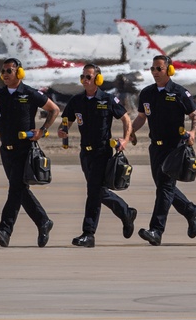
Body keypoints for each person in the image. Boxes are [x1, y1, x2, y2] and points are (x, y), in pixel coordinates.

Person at [0, 58, 60, 248]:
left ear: (19, 73)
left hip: (25, 149)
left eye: (9, 71)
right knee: (20, 190)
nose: (5, 74)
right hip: (5, 149)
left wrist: (43, 130)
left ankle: (5, 230)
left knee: (15, 190)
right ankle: (43, 222)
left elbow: (54, 110)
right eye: (3, 71)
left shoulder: (30, 93)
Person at [58, 63, 138, 248]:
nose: (84, 80)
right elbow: (66, 121)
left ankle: (89, 233)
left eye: (88, 77)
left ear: (98, 79)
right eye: (83, 76)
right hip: (85, 153)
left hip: (102, 152)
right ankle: (126, 212)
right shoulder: (76, 101)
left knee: (93, 192)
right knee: (98, 191)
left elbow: (126, 119)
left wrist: (125, 140)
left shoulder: (108, 99)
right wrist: (63, 131)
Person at [129, 55, 196, 246]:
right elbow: (141, 118)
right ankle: (190, 210)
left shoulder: (179, 93)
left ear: (169, 70)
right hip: (156, 147)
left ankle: (156, 230)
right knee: (164, 187)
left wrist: (193, 132)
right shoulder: (146, 93)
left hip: (175, 147)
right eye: (152, 69)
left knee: (165, 189)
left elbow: (195, 116)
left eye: (159, 69)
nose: (155, 72)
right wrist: (130, 132)